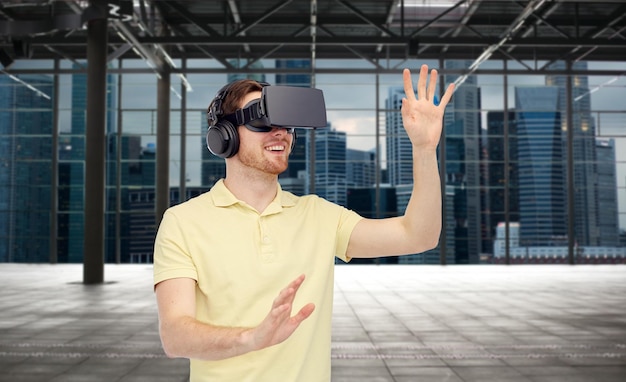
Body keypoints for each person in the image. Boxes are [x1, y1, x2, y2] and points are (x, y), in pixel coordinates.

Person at [153, 64, 454, 382]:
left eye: (286, 123)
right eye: (261, 120)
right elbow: (175, 336)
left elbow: (418, 236)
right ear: (223, 137)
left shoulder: (320, 216)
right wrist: (252, 338)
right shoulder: (183, 222)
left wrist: (424, 149)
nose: (280, 132)